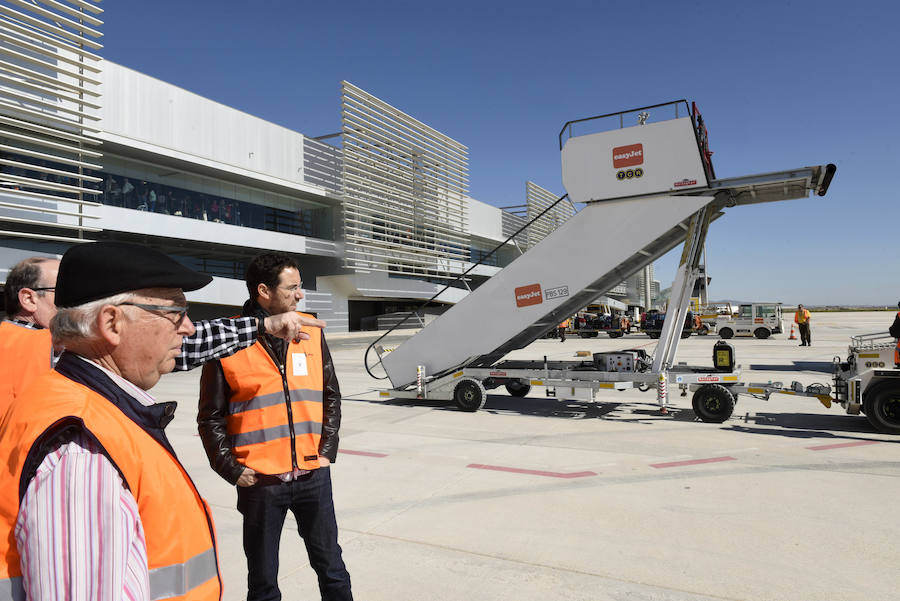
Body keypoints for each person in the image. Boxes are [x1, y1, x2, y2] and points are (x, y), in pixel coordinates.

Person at [0, 241, 261, 600]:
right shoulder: (81, 451)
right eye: (176, 312)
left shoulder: (91, 405)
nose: (187, 327)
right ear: (111, 322)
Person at [198, 252, 351, 601]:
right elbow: (210, 416)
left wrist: (326, 451)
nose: (300, 295)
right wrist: (232, 469)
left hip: (313, 476)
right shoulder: (230, 339)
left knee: (333, 571)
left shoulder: (310, 329)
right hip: (261, 484)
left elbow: (331, 394)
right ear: (264, 292)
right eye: (293, 287)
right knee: (263, 582)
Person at [1, 252, 322, 415]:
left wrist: (261, 325)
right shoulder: (42, 349)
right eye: (62, 290)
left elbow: (183, 344)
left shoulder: (79, 357)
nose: (75, 299)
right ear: (28, 298)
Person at [889, 301, 900, 368]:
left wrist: (891, 330)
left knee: (898, 349)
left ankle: (898, 363)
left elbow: (895, 327)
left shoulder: (899, 315)